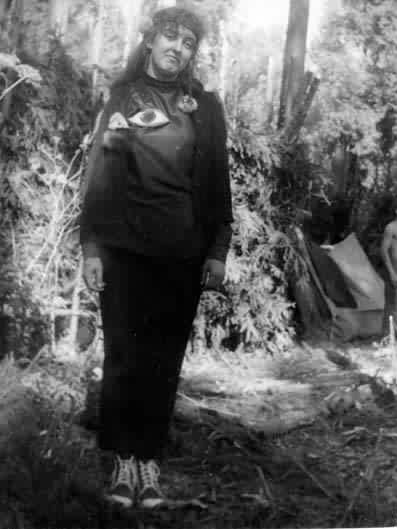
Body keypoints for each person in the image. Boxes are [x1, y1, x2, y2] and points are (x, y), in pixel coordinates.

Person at [79, 7, 233, 510]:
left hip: (182, 254)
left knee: (163, 361)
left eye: (188, 43)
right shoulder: (122, 100)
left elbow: (218, 183)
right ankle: (122, 459)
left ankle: (149, 462)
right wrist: (91, 247)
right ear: (150, 40)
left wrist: (217, 250)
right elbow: (100, 177)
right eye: (171, 36)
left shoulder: (204, 107)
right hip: (124, 250)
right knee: (123, 356)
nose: (178, 48)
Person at [381, 202, 397, 336]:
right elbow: (383, 250)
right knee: (393, 305)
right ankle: (387, 336)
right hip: (394, 268)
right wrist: (392, 272)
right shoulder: (391, 227)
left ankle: (395, 335)